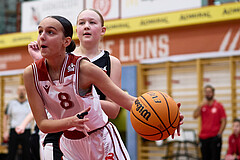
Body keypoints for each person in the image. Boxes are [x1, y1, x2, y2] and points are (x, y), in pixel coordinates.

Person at [24, 15, 183, 159]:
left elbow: (126, 101)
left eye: (50, 32)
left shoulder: (84, 68)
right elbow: (43, 124)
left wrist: (166, 115)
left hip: (100, 139)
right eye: (40, 32)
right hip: (70, 144)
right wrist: (71, 122)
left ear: (66, 41)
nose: (42, 36)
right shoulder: (31, 74)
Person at [27, 8, 122, 159]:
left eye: (92, 22)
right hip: (59, 133)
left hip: (93, 130)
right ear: (75, 30)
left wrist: (83, 100)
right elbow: (47, 100)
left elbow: (114, 110)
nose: (86, 26)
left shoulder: (109, 62)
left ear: (103, 30)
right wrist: (40, 61)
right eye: (82, 23)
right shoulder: (59, 57)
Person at [193, 84, 227, 160]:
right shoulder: (202, 106)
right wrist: (200, 106)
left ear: (213, 93)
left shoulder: (218, 106)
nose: (207, 93)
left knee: (215, 158)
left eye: (209, 92)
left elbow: (224, 120)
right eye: (206, 92)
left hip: (214, 137)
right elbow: (195, 116)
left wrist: (219, 134)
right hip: (203, 137)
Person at [3, 85, 32, 160]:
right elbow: (5, 117)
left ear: (25, 91)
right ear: (17, 92)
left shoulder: (30, 103)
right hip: (13, 130)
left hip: (26, 131)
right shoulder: (11, 103)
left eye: (23, 90)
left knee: (27, 154)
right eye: (20, 90)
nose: (21, 91)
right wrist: (5, 132)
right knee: (11, 153)